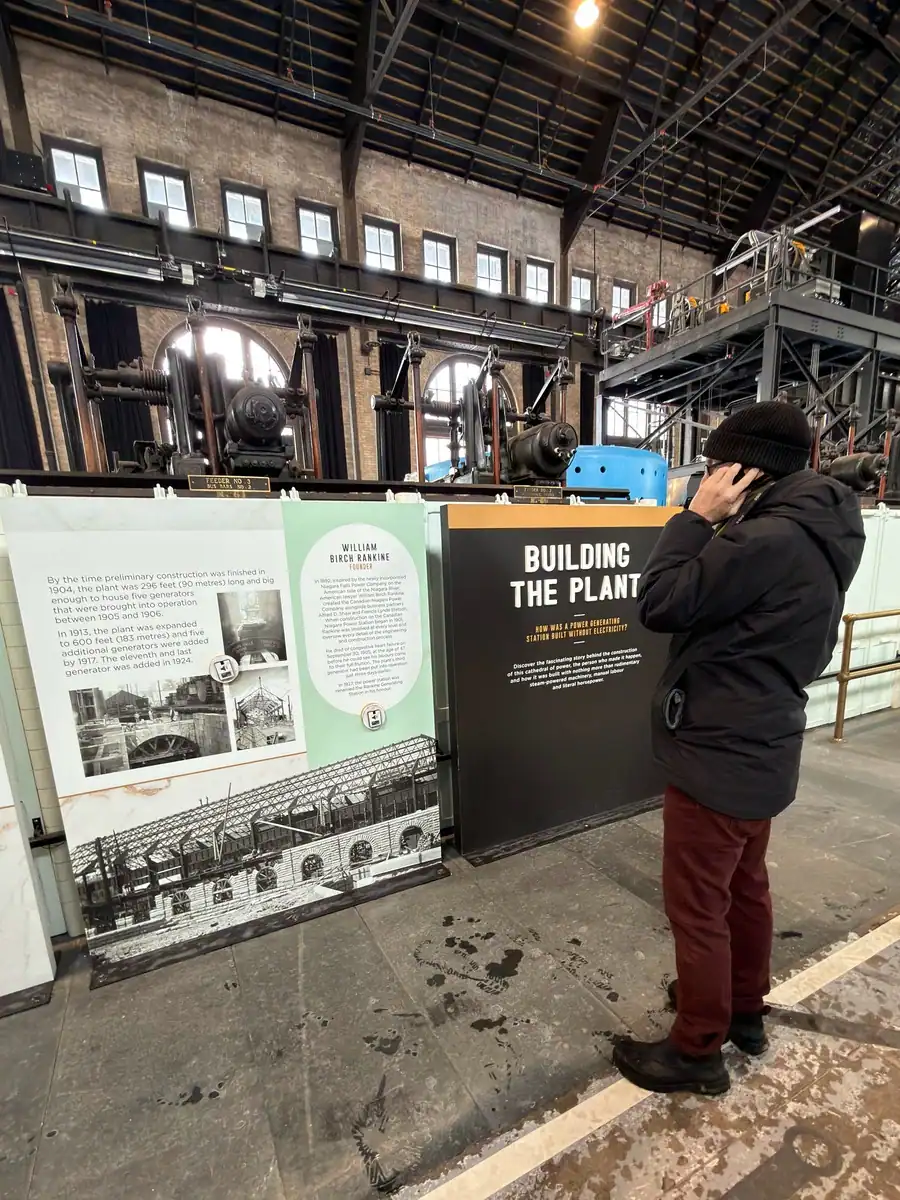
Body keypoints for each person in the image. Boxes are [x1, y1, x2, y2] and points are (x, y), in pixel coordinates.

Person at [612, 401, 865, 1097]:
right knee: (744, 890)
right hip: (767, 742)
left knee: (697, 906)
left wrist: (695, 516)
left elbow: (661, 601)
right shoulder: (823, 528)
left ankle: (696, 1050)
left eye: (720, 462)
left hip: (718, 753)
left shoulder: (760, 541)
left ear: (745, 468)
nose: (711, 473)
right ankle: (742, 1010)